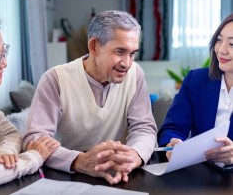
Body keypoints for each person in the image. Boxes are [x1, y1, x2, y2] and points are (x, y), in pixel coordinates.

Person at [23, 10, 157, 184]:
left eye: (132, 53)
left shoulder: (136, 74)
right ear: (94, 46)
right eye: (120, 52)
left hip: (119, 176)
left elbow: (144, 127)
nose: (127, 63)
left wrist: (133, 155)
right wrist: (79, 161)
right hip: (66, 178)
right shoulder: (55, 79)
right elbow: (35, 139)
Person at [0, 11, 60, 190]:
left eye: (4, 52)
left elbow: (10, 134)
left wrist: (4, 152)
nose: (4, 63)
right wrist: (34, 157)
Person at [158, 13, 233, 165]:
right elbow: (173, 127)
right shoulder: (196, 80)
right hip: (201, 174)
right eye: (219, 40)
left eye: (232, 44)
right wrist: (171, 144)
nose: (221, 50)